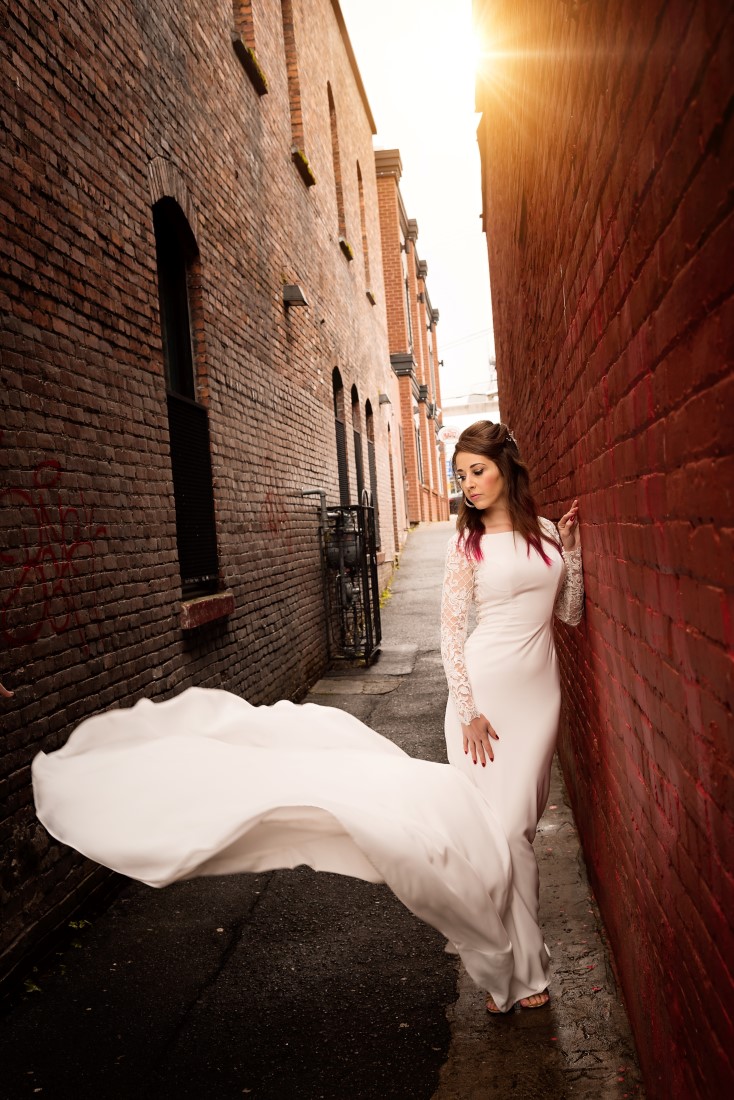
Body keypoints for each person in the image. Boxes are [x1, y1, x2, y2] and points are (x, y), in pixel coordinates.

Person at [440, 419, 583, 1014]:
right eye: (462, 474)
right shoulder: (464, 543)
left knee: (518, 827)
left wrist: (572, 558)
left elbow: (570, 614)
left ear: (506, 467)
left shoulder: (546, 531)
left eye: (479, 470)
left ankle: (520, 964)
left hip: (538, 695)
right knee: (496, 837)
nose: (470, 483)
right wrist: (469, 711)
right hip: (483, 700)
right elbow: (450, 632)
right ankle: (519, 970)